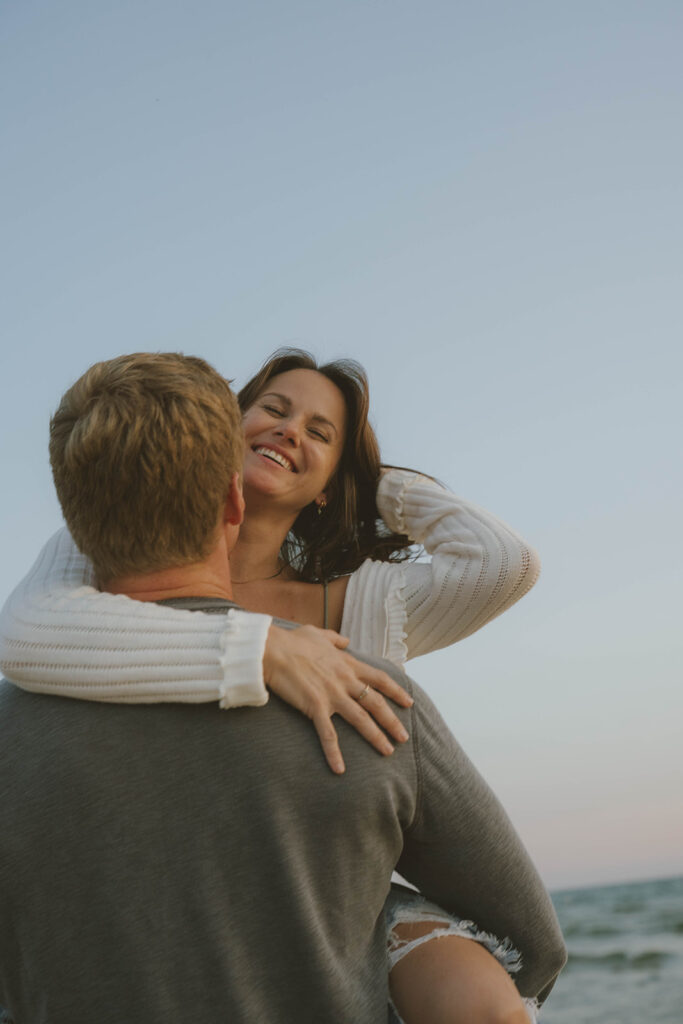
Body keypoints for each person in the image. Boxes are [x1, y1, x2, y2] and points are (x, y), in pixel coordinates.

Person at [0, 352, 565, 1024]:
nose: (291, 429)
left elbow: (501, 564)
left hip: (324, 878)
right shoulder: (83, 585)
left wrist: (361, 478)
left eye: (321, 432)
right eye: (271, 409)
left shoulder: (358, 605)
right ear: (221, 445)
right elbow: (532, 944)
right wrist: (251, 645)